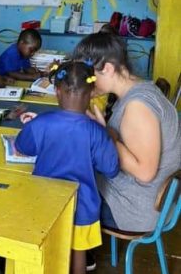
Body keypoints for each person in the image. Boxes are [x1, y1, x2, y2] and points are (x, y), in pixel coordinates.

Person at [15, 61, 120, 274]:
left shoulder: (41, 123)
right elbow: (111, 169)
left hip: (44, 205)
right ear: (91, 94)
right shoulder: (96, 132)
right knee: (77, 253)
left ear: (56, 91)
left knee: (45, 249)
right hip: (83, 207)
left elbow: (22, 146)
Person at [72, 33, 180, 233]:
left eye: (88, 76)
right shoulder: (137, 87)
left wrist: (105, 134)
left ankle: (80, 257)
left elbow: (145, 172)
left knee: (60, 197)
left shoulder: (138, 106)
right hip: (142, 198)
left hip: (135, 209)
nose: (85, 83)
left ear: (108, 69)